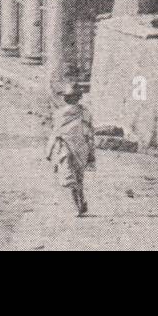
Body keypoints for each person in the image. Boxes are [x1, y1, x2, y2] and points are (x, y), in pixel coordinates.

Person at [45, 81, 95, 216]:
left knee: (72, 177)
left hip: (69, 149)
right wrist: (91, 153)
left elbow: (55, 133)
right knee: (76, 178)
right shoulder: (84, 113)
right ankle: (79, 203)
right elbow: (90, 134)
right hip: (78, 148)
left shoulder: (61, 114)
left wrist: (48, 152)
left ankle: (78, 205)